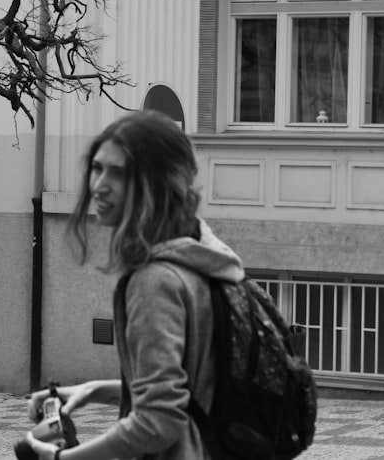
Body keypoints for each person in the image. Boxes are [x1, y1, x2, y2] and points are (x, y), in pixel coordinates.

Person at [24, 109, 245, 460]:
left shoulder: (155, 281)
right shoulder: (203, 254)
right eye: (97, 168)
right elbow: (189, 390)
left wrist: (61, 458)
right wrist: (94, 389)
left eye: (119, 173)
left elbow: (160, 420)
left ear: (157, 183)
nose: (99, 185)